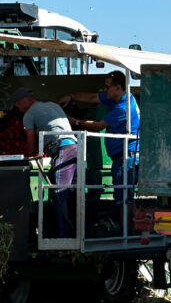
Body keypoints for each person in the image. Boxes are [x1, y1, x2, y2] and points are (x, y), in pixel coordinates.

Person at [60, 70, 140, 205]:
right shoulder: (119, 99)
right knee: (123, 199)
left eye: (107, 87)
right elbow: (93, 98)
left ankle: (126, 225)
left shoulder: (122, 108)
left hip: (126, 159)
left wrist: (76, 122)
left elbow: (98, 126)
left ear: (118, 88)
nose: (105, 89)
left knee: (123, 201)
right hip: (123, 157)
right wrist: (71, 97)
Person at [13, 87, 78, 238]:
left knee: (58, 193)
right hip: (77, 147)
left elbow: (30, 143)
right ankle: (76, 234)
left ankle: (61, 238)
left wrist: (28, 157)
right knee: (74, 194)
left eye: (18, 106)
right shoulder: (53, 105)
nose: (19, 110)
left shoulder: (29, 115)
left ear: (23, 101)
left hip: (64, 150)